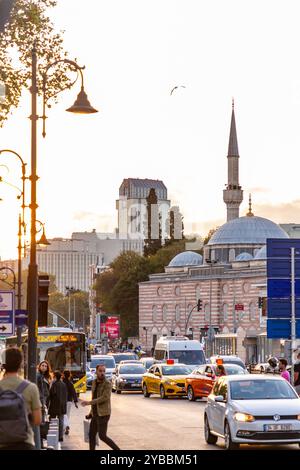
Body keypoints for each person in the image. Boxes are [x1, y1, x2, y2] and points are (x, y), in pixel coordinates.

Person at [0, 347, 41, 450]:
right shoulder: (31, 388)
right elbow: (37, 420)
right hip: (25, 442)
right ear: (21, 364)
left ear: (3, 364)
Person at [81, 364, 120, 451]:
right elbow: (94, 397)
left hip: (103, 414)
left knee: (102, 436)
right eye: (100, 371)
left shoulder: (107, 384)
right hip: (95, 414)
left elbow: (104, 398)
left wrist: (89, 403)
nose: (102, 373)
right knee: (91, 435)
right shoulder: (94, 382)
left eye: (104, 371)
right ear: (96, 372)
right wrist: (90, 413)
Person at [47, 370, 67, 442]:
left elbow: (51, 394)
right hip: (62, 405)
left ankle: (51, 434)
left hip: (55, 405)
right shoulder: (63, 384)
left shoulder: (54, 384)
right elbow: (65, 395)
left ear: (54, 376)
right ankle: (60, 436)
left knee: (51, 419)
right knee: (61, 420)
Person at [37, 360, 52, 447]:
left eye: (46, 366)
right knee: (41, 422)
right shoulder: (38, 376)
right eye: (42, 365)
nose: (44, 367)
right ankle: (40, 443)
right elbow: (38, 390)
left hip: (45, 400)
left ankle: (41, 442)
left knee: (43, 421)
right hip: (41, 401)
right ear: (39, 366)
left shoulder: (44, 376)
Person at [63, 369, 78, 435]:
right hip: (69, 401)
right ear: (70, 375)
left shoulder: (61, 383)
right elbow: (74, 393)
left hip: (62, 401)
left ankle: (65, 426)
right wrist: (75, 402)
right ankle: (66, 426)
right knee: (67, 414)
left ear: (63, 375)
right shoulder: (70, 383)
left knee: (63, 414)